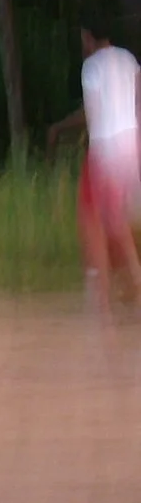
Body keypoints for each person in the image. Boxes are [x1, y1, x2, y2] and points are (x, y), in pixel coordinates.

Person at [46, 27, 141, 312]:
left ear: (87, 36)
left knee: (92, 220)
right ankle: (130, 282)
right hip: (131, 148)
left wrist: (59, 129)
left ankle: (102, 297)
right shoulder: (128, 59)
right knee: (117, 222)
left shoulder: (91, 67)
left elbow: (93, 118)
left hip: (106, 151)